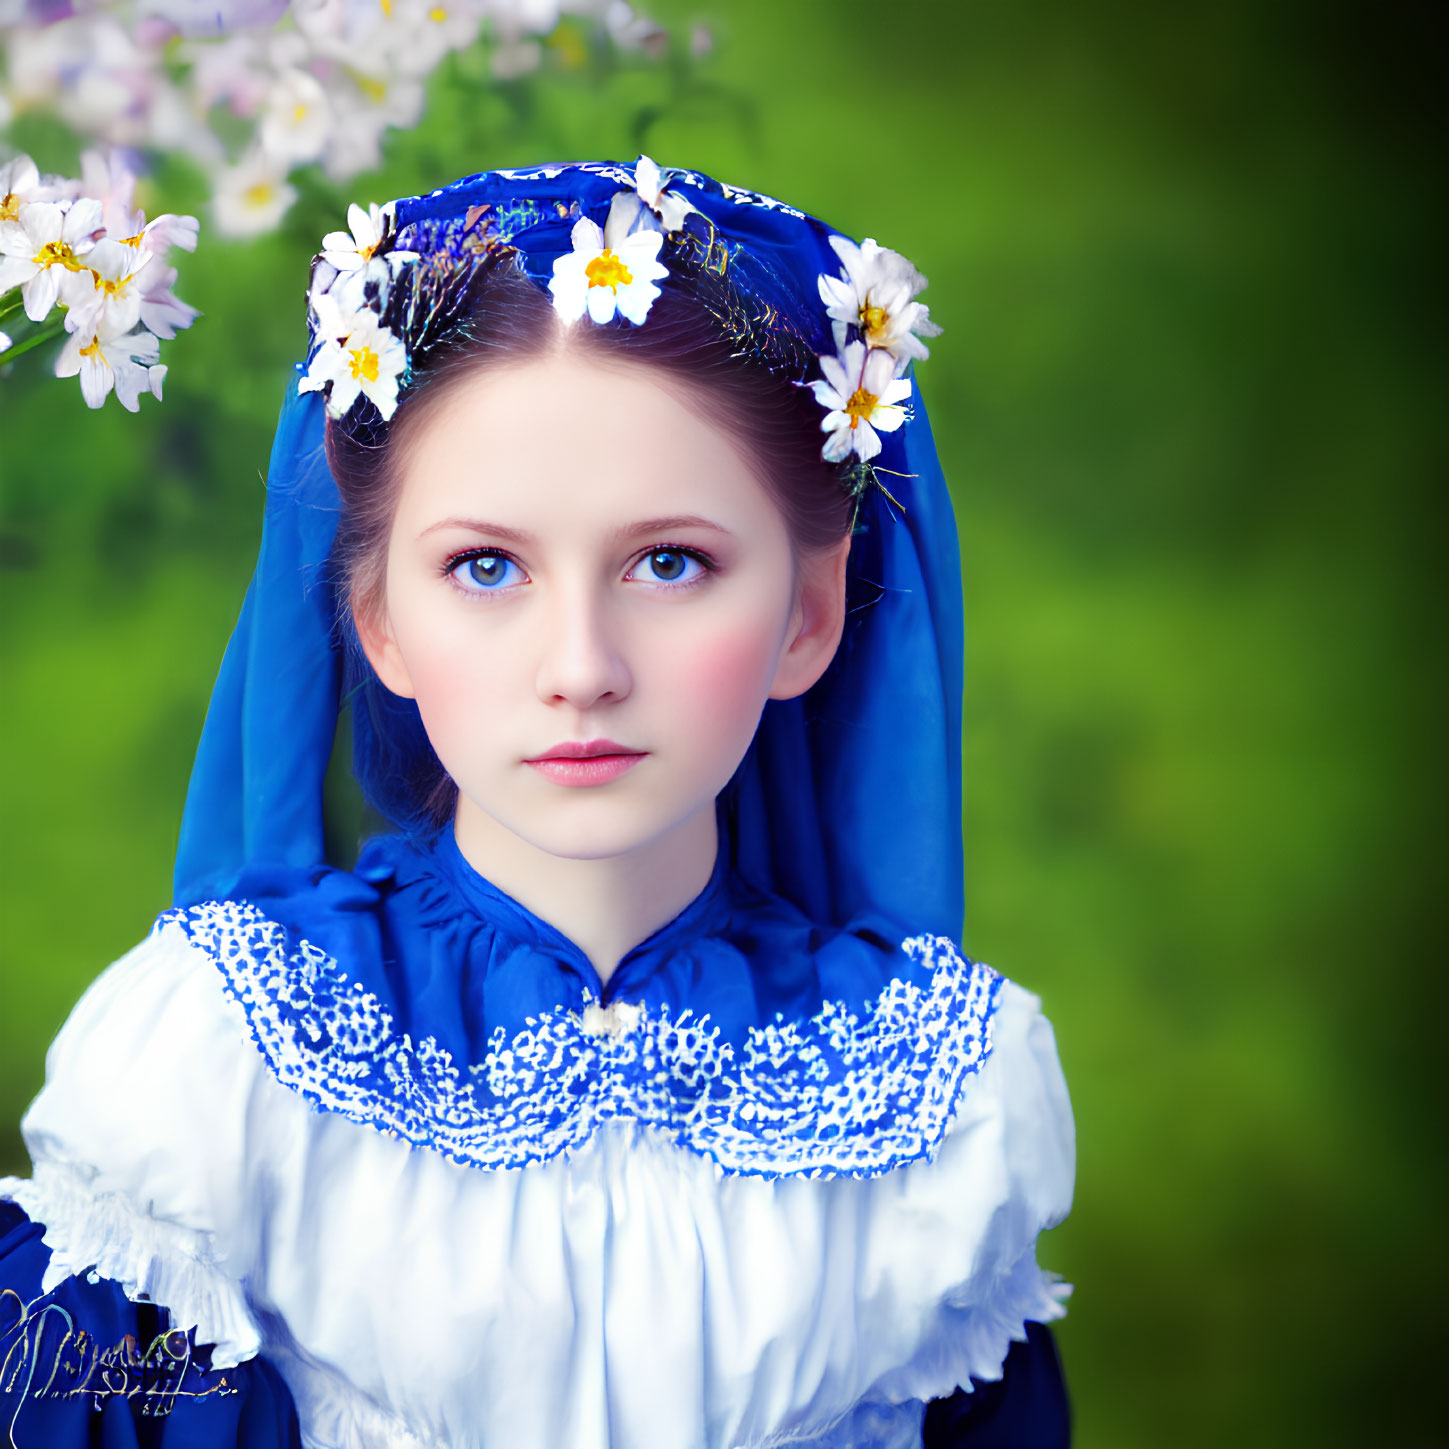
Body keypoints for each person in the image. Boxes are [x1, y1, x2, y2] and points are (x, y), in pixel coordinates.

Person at [0, 158, 1076, 1448]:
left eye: (670, 563)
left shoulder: (941, 1100)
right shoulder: (220, 1068)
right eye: (487, 565)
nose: (582, 668)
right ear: (378, 618)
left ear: (811, 610)